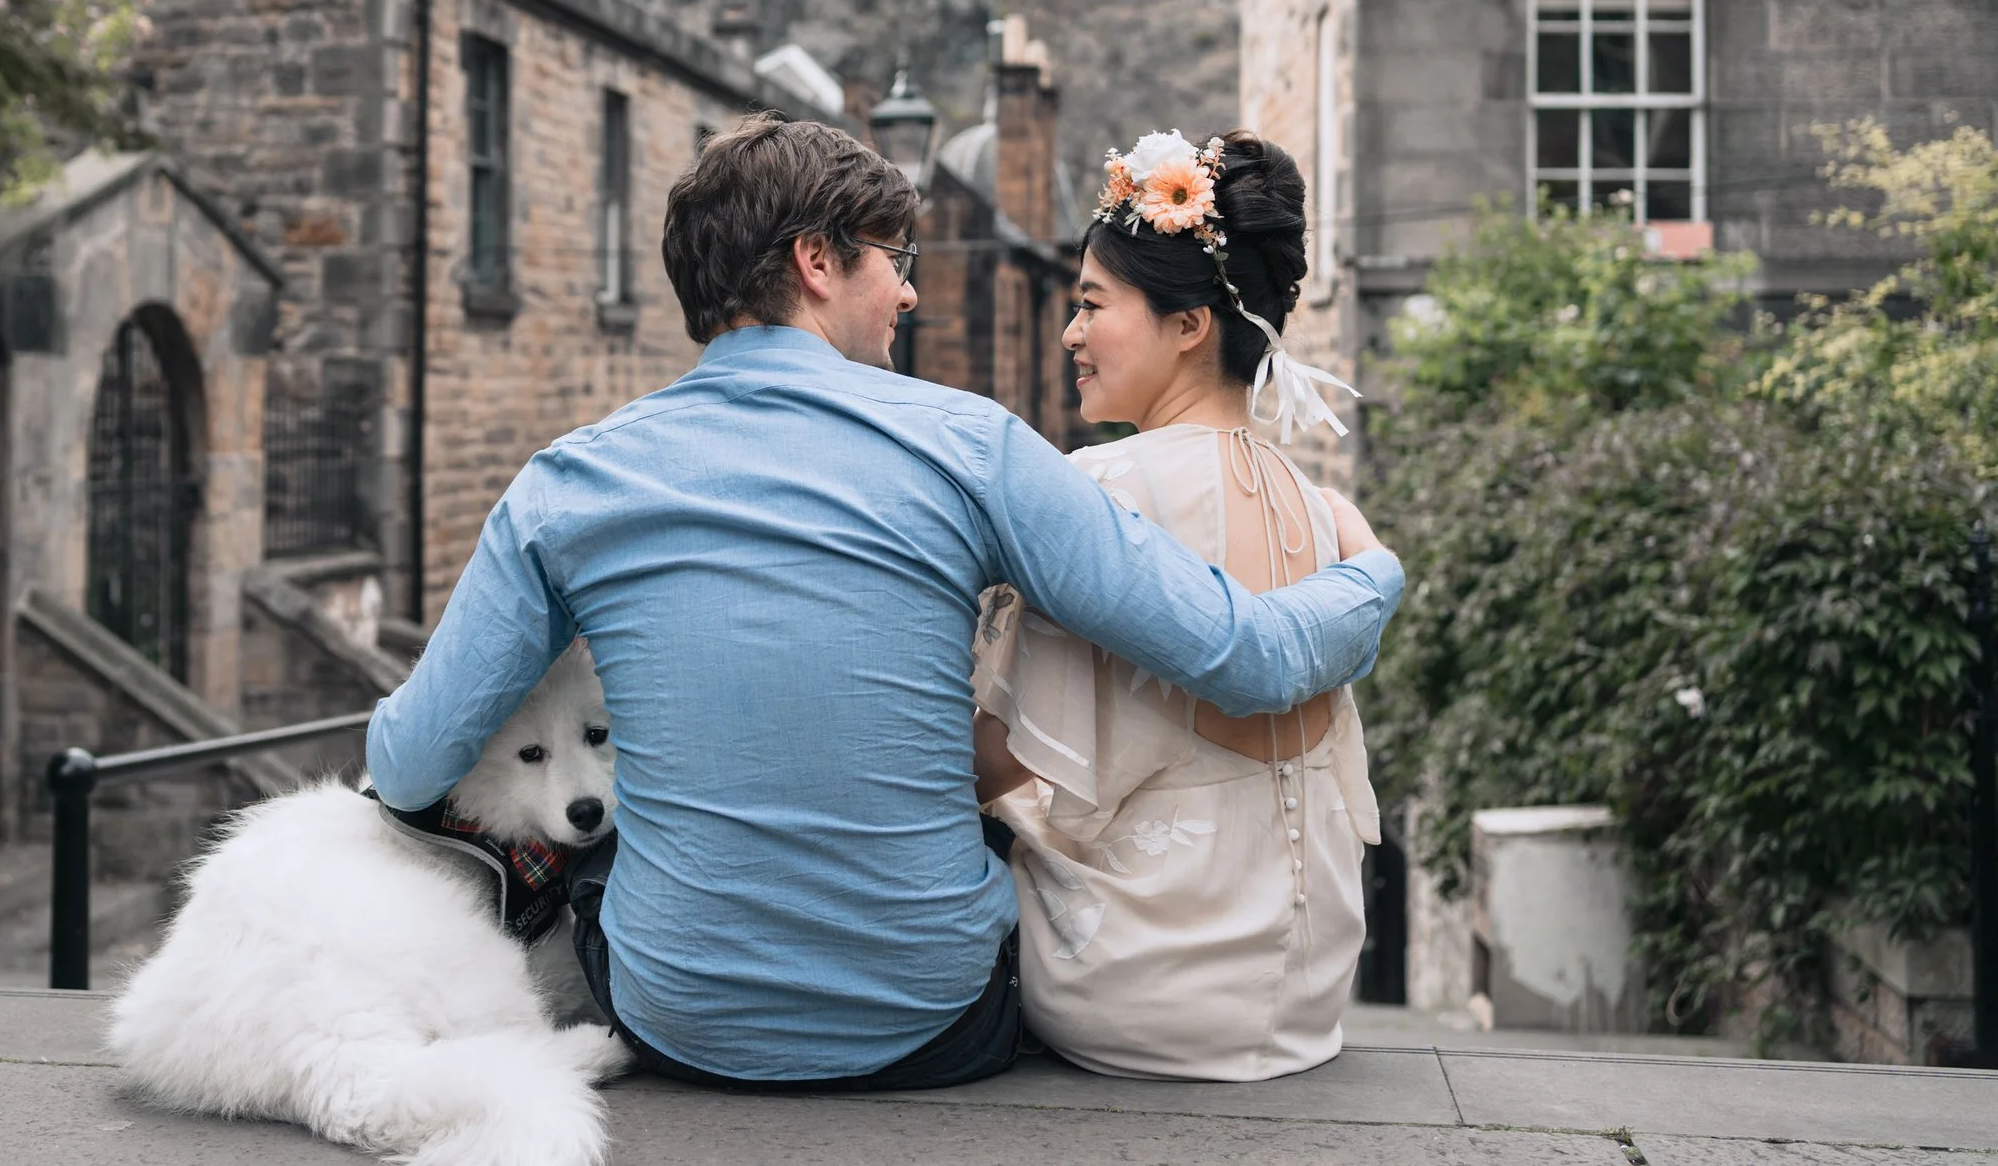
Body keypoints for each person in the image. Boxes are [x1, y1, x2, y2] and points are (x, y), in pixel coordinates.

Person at [366, 114, 1405, 1091]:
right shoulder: (971, 444)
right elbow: (1250, 656)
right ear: (816, 263)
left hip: (679, 1018)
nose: (909, 295)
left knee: (595, 837)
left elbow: (407, 764)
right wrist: (1371, 572)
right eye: (890, 262)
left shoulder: (565, 481)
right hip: (935, 1022)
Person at [973, 126, 1377, 1080]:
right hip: (1308, 993)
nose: (1070, 333)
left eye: (1092, 305)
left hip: (1139, 988)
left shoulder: (1101, 489)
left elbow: (997, 759)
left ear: (1189, 324)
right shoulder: (1319, 508)